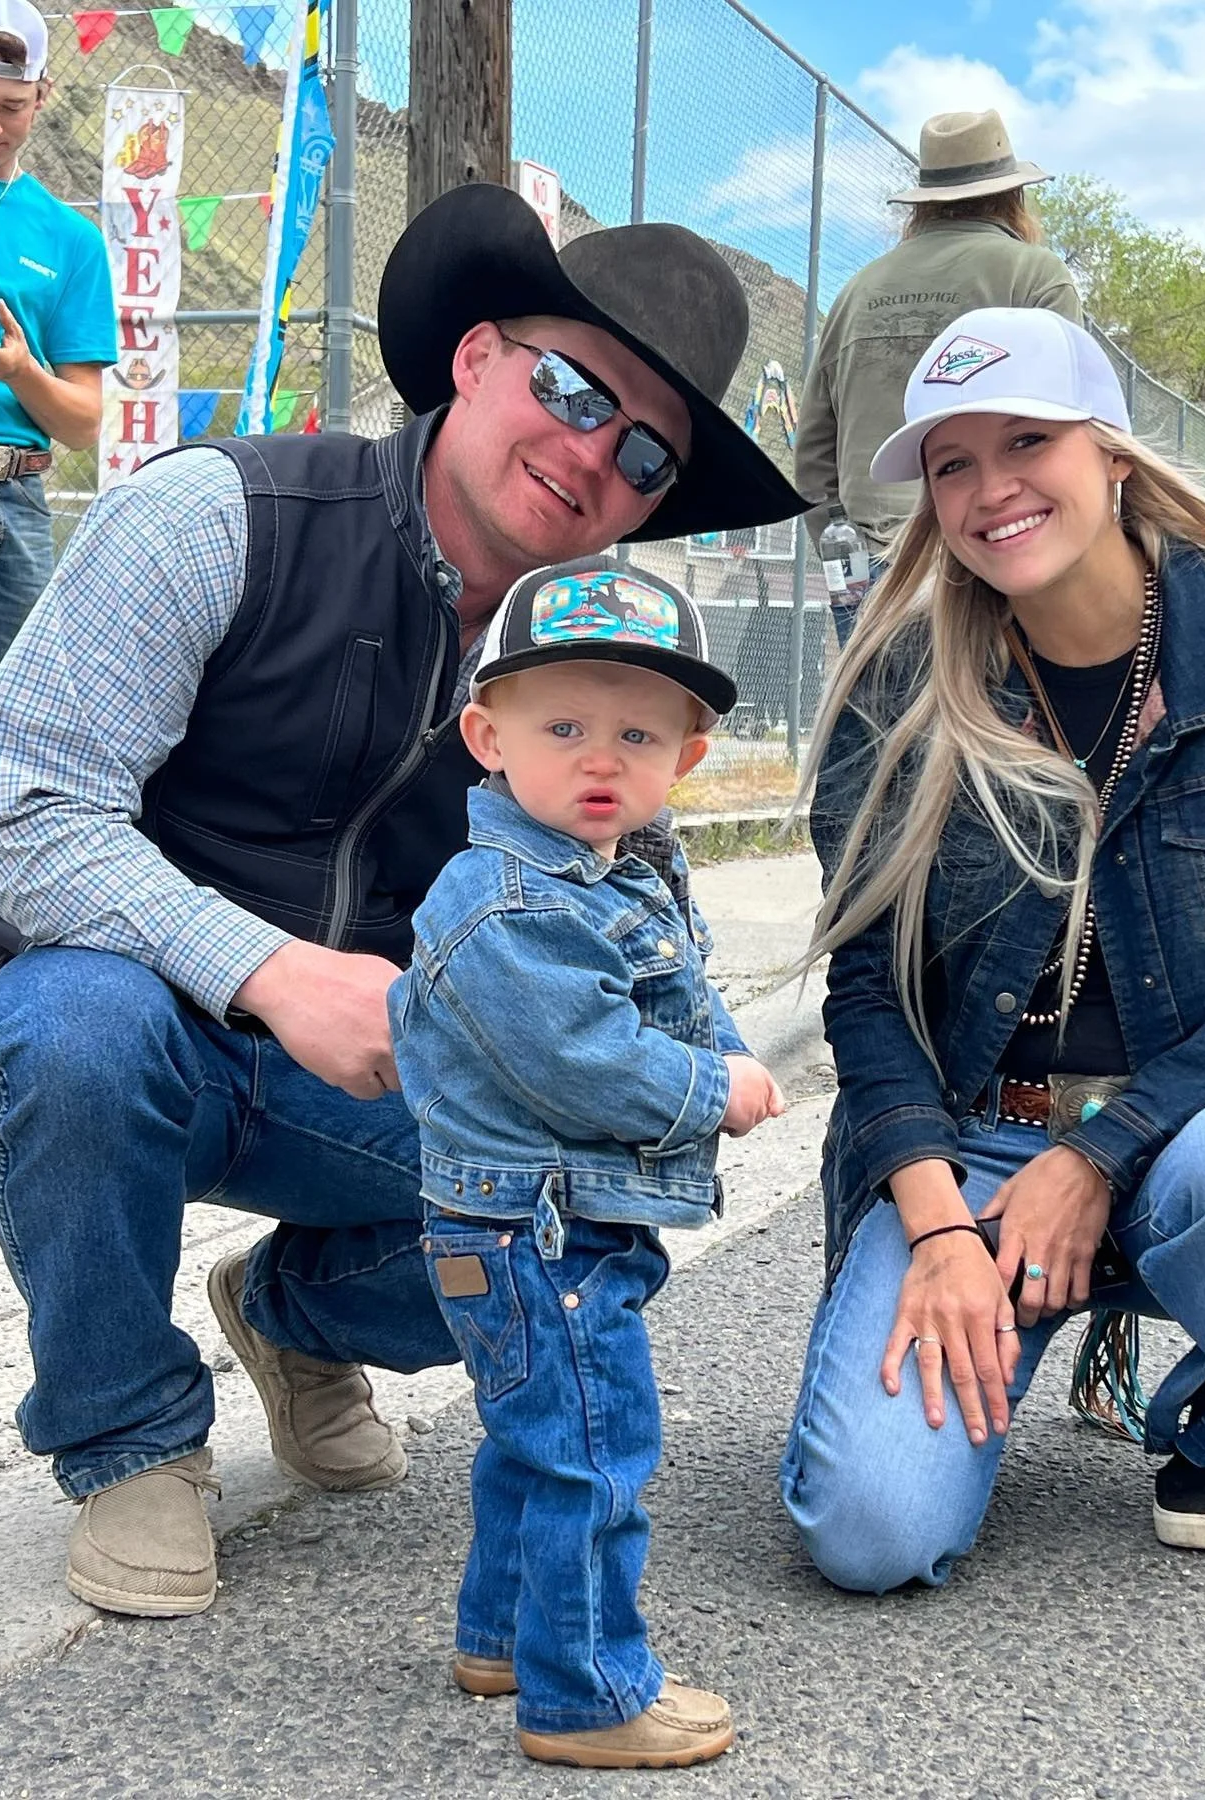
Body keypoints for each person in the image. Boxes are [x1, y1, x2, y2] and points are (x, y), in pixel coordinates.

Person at [0, 181, 804, 1620]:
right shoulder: (219, 516)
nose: (592, 453)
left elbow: (623, 932)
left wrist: (686, 1065)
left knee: (591, 1208)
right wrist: (272, 972)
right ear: (474, 358)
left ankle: (293, 1315)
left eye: (645, 451)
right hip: (139, 1019)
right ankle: (130, 1436)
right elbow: (12, 806)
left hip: (377, 1079)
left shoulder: (586, 681)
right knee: (70, 1031)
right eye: (571, 387)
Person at [779, 306, 1205, 1592]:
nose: (990, 489)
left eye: (1026, 442)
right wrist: (937, 1226)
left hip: (1202, 1130)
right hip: (980, 1144)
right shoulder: (901, 683)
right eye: (952, 464)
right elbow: (871, 988)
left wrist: (1101, 1151)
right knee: (870, 1533)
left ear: (1110, 450)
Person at [392, 559, 783, 1768]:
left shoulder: (615, 871)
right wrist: (716, 1088)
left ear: (688, 757)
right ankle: (589, 1695)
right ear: (488, 739)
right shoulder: (509, 900)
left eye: (637, 735)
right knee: (595, 1456)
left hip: (541, 1222)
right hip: (536, 1232)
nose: (599, 759)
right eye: (562, 728)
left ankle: (504, 1638)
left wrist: (724, 1047)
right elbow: (585, 1058)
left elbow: (674, 991)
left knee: (537, 1445)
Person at [0, 0, 114, 1079]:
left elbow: (84, 418)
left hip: (20, 499)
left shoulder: (67, 238)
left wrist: (19, 372)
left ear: (43, 98)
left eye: (10, 105)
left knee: (4, 756)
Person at [795, 109, 1080, 564]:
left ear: (923, 203)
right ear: (1013, 195)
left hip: (875, 560)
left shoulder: (857, 291)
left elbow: (814, 454)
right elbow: (1068, 425)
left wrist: (845, 555)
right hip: (997, 548)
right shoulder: (1035, 276)